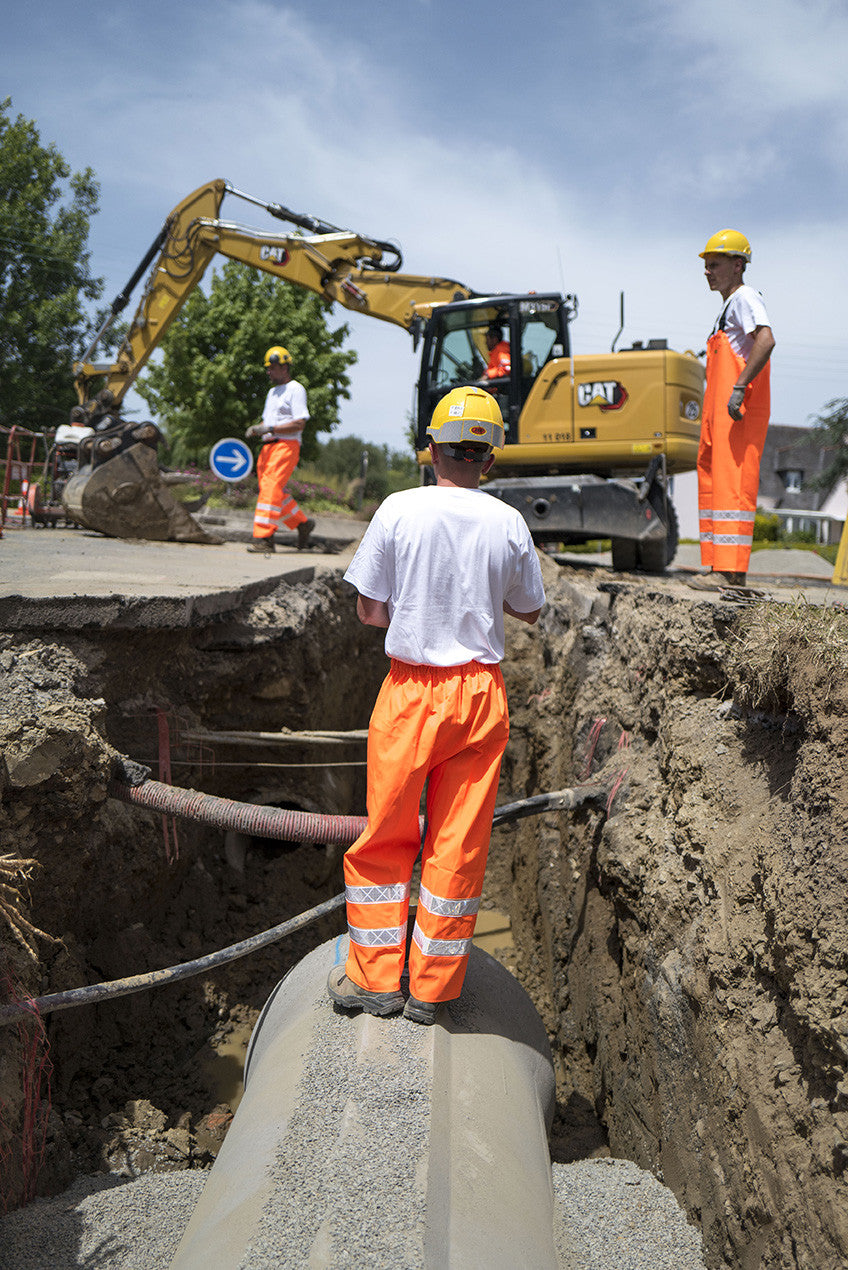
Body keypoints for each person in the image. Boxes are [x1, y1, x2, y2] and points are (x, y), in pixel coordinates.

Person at [328, 385, 546, 1025]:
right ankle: (431, 991)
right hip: (480, 696)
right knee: (457, 844)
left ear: (431, 449)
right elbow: (529, 608)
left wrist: (421, 604)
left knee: (385, 837)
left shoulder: (397, 509)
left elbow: (370, 610)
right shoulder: (507, 521)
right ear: (491, 459)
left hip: (411, 690)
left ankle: (375, 980)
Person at [690, 230, 775, 591]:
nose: (707, 272)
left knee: (732, 483)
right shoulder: (728, 306)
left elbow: (766, 339)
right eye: (706, 266)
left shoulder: (744, 297)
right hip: (719, 412)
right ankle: (720, 569)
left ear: (738, 265)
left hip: (734, 411)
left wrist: (739, 388)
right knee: (714, 479)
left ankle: (730, 572)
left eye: (715, 265)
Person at [245, 346, 315, 553]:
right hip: (268, 447)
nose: (268, 371)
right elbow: (270, 421)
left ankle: (265, 539)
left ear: (285, 367)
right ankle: (302, 524)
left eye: (272, 367)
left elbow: (299, 423)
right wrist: (260, 428)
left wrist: (270, 428)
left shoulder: (296, 389)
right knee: (272, 492)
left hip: (286, 445)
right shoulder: (272, 392)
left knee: (270, 490)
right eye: (268, 368)